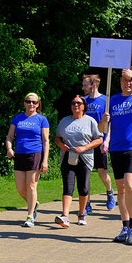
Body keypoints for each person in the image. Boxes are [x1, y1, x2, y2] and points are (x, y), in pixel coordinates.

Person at [99, 67, 132, 246]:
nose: (127, 82)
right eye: (124, 79)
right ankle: (124, 227)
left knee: (130, 185)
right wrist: (104, 121)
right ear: (120, 82)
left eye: (130, 79)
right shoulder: (112, 100)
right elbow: (101, 129)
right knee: (121, 189)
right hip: (116, 148)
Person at [55, 95, 103, 227]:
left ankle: (81, 214)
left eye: (79, 103)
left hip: (85, 158)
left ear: (84, 106)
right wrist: (61, 145)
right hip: (68, 157)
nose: (76, 105)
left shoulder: (90, 121)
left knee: (83, 187)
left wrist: (85, 147)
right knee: (68, 186)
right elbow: (57, 137)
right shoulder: (64, 121)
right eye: (73, 103)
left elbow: (99, 139)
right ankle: (65, 216)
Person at [6, 92, 49, 227]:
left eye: (34, 102)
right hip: (19, 154)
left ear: (38, 104)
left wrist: (45, 160)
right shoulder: (17, 118)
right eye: (28, 101)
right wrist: (9, 148)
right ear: (24, 103)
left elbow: (46, 141)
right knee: (20, 187)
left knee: (31, 186)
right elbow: (9, 136)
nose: (31, 104)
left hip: (35, 153)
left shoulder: (41, 119)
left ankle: (30, 216)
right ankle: (34, 204)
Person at [82, 74, 115, 213]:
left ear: (93, 85)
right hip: (85, 142)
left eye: (85, 85)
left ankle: (109, 192)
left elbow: (111, 124)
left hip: (101, 141)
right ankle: (87, 203)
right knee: (85, 174)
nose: (83, 87)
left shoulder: (105, 101)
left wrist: (107, 141)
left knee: (102, 173)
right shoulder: (82, 101)